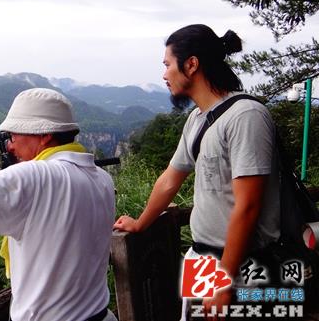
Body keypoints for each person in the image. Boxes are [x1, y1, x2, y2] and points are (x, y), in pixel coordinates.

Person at [114, 24, 280, 320]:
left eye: (167, 65)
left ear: (191, 64)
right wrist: (140, 223)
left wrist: (224, 282)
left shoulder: (246, 117)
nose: (164, 75)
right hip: (202, 259)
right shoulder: (197, 119)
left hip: (240, 265)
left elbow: (248, 205)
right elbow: (169, 180)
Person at [0, 88, 117, 321]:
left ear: (45, 135)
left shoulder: (34, 177)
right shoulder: (101, 178)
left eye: (13, 137)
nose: (11, 146)